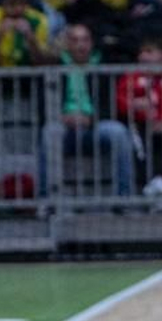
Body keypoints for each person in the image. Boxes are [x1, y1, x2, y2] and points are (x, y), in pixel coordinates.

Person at [50, 23, 134, 197]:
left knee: (118, 132)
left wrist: (90, 118)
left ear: (92, 43)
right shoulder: (55, 68)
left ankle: (124, 197)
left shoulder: (104, 67)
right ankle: (48, 200)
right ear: (67, 44)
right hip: (65, 126)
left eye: (85, 40)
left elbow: (111, 104)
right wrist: (64, 117)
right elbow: (45, 103)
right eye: (75, 40)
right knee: (49, 133)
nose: (81, 45)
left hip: (96, 125)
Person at [116, 33, 162, 195]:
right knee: (138, 141)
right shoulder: (130, 78)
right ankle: (152, 184)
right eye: (142, 52)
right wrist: (134, 105)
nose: (143, 56)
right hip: (139, 123)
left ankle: (159, 181)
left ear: (161, 55)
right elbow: (120, 101)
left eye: (149, 52)